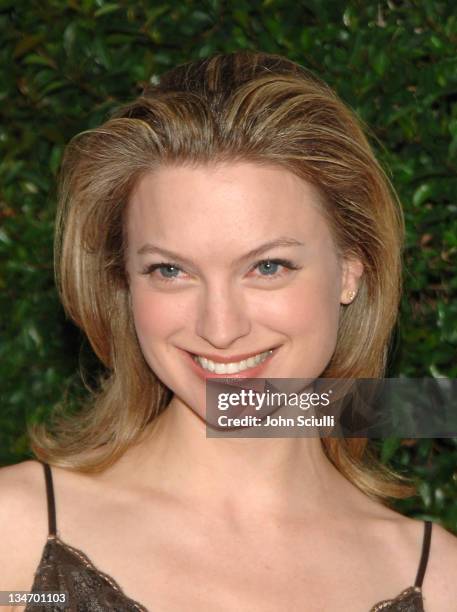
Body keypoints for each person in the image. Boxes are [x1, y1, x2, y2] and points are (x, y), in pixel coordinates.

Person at [0, 51, 456, 612]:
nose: (219, 329)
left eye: (268, 267)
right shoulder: (15, 542)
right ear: (124, 283)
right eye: (171, 270)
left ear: (350, 270)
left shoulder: (440, 583)